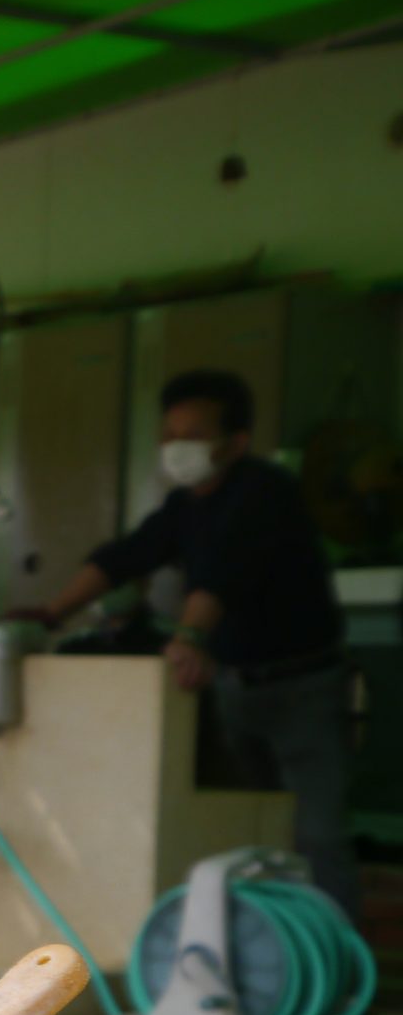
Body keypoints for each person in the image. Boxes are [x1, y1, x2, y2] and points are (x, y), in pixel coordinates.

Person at [26, 369, 355, 915]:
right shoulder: (185, 506)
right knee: (250, 829)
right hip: (234, 690)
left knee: (316, 833)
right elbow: (126, 556)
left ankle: (336, 964)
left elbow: (225, 570)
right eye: (169, 434)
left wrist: (188, 635)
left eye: (193, 434)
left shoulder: (265, 491)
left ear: (236, 442)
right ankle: (270, 951)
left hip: (303, 689)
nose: (176, 447)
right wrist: (49, 614)